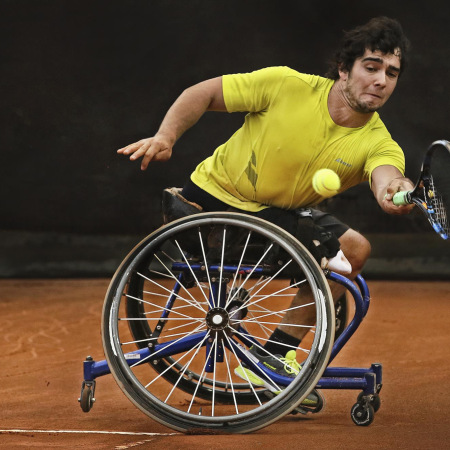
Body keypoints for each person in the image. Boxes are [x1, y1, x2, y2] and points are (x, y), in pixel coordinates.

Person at [117, 17, 414, 411]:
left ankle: (271, 356)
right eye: (371, 67)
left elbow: (387, 178)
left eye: (391, 73)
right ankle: (272, 363)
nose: (380, 81)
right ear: (344, 69)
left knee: (355, 250)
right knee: (331, 247)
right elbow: (203, 92)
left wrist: (396, 191)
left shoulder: (379, 142)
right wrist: (165, 136)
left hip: (274, 217)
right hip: (213, 203)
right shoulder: (286, 85)